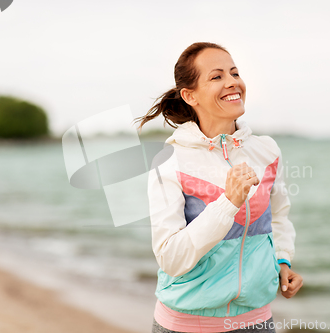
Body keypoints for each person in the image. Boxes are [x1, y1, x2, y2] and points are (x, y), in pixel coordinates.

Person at [136, 42, 303, 333]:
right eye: (217, 77)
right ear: (190, 96)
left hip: (258, 322)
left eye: (234, 73)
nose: (232, 82)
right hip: (187, 326)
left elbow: (278, 218)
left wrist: (282, 261)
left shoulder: (267, 151)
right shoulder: (170, 162)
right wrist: (228, 202)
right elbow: (171, 258)